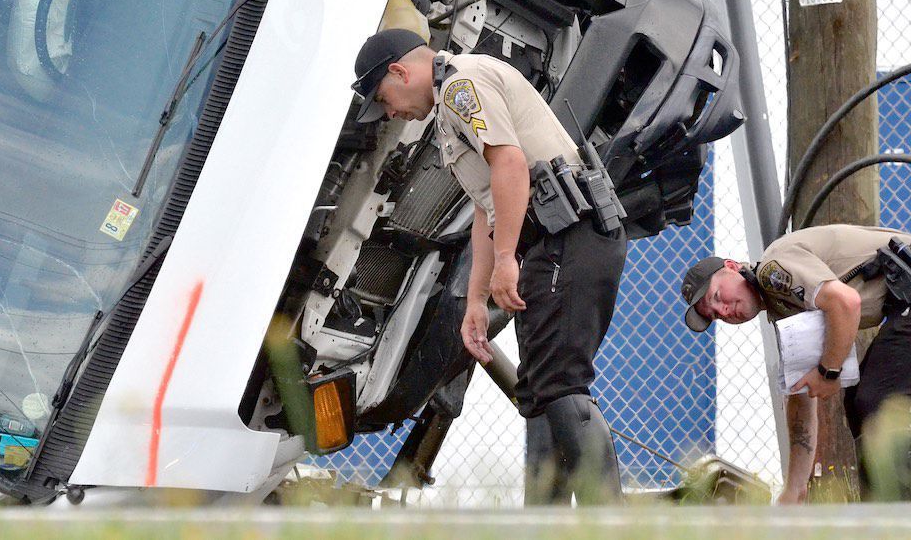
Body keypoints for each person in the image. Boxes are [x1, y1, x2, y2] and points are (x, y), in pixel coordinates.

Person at [352, 27, 627, 504]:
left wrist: (506, 259)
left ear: (401, 71)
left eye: (385, 98)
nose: (391, 112)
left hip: (572, 232)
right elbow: (485, 207)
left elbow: (511, 165)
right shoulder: (446, 109)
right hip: (551, 241)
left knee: (561, 383)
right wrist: (476, 299)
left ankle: (616, 524)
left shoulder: (462, 84)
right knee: (539, 390)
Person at [680, 224, 911, 502]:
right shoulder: (782, 309)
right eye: (716, 315)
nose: (724, 311)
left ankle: (895, 515)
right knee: (860, 402)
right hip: (902, 304)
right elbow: (801, 396)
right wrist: (795, 487)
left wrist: (828, 371)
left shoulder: (773, 269)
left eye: (717, 297)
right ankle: (884, 508)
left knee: (877, 401)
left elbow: (845, 303)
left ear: (731, 267)